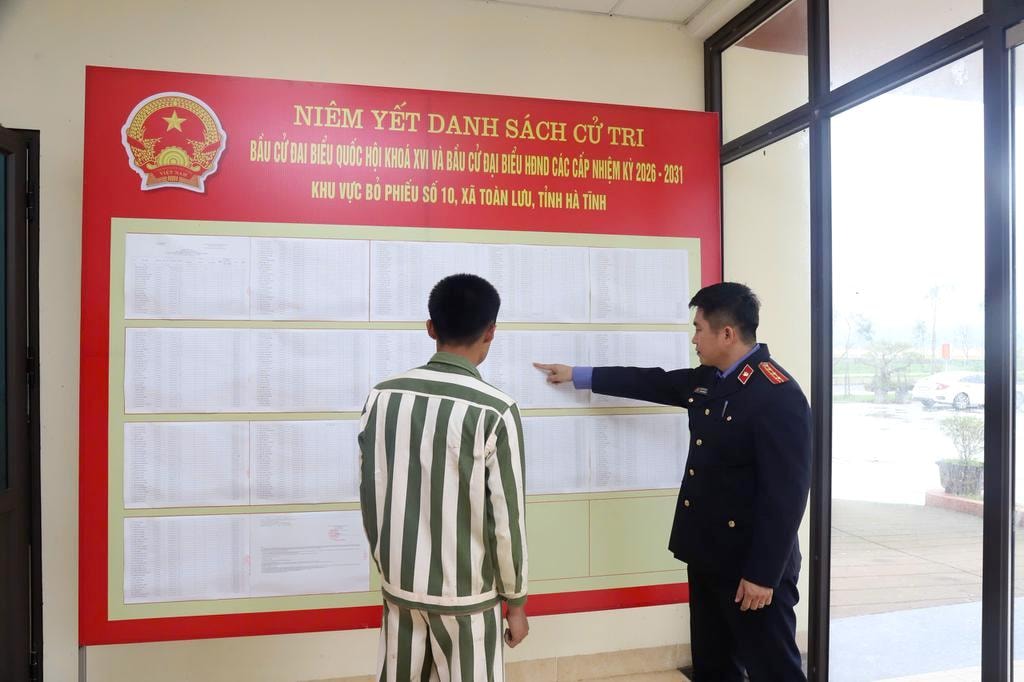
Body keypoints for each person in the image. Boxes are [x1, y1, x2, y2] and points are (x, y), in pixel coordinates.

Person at [535, 281, 811, 681]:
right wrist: (579, 375)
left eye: (699, 329)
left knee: (774, 671)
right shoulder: (712, 379)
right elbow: (653, 382)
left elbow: (786, 495)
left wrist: (763, 575)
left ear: (727, 334)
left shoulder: (776, 394)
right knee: (713, 667)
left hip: (749, 569)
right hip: (707, 556)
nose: (694, 339)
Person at [358, 273, 529, 682]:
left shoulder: (383, 397)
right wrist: (517, 602)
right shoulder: (495, 410)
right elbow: (507, 520)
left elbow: (370, 492)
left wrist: (388, 564)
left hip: (400, 588)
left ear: (431, 327)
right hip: (468, 598)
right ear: (490, 331)